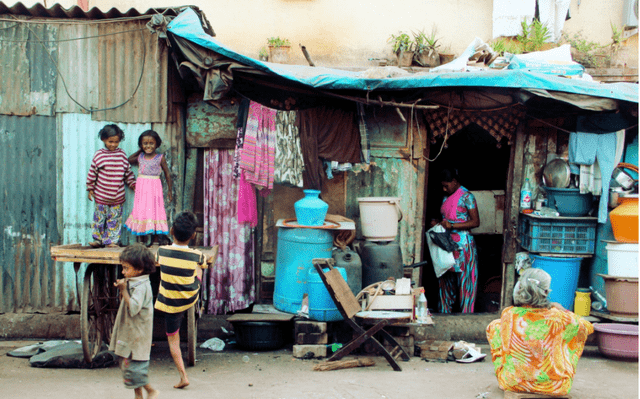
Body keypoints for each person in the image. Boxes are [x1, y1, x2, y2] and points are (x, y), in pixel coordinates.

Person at [486, 268, 593, 396]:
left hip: (513, 383)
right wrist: (564, 310)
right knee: (569, 333)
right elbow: (587, 328)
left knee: (495, 326)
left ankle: (514, 372)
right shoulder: (560, 317)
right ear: (546, 292)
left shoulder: (509, 315)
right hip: (556, 387)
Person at [154, 211, 207, 389]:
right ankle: (199, 306)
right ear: (193, 236)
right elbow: (204, 264)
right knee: (199, 269)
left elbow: (156, 262)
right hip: (189, 297)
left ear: (171, 231)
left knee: (173, 340)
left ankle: (183, 376)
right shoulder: (198, 255)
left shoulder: (161, 251)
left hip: (169, 302)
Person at [109, 244, 159, 399]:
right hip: (132, 332)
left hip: (137, 333)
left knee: (133, 366)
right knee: (128, 363)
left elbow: (134, 308)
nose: (123, 272)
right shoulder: (135, 281)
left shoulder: (142, 286)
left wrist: (124, 290)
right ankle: (139, 395)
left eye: (126, 268)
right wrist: (123, 289)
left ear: (139, 269)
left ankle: (150, 390)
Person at [430, 167, 480, 313]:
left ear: (455, 181)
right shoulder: (446, 197)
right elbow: (447, 218)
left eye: (446, 185)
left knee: (466, 282)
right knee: (445, 280)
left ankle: (466, 316)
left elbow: (476, 222)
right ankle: (444, 314)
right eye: (442, 186)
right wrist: (438, 223)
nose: (444, 189)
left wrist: (452, 225)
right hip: (447, 244)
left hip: (464, 246)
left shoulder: (467, 197)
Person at [86, 124, 136, 248]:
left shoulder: (122, 155)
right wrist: (90, 188)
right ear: (103, 139)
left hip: (117, 196)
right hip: (101, 195)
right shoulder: (99, 155)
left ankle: (112, 241)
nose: (113, 144)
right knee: (99, 219)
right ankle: (98, 240)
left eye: (116, 142)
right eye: (110, 141)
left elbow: (127, 172)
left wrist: (133, 184)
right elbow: (92, 172)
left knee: (114, 220)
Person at [125, 130, 173, 247]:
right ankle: (142, 240)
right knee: (142, 211)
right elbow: (129, 159)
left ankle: (155, 240)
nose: (148, 146)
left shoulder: (160, 157)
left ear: (157, 144)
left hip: (154, 187)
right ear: (141, 145)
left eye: (151, 143)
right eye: (145, 143)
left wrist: (170, 191)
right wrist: (140, 149)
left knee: (155, 211)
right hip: (141, 188)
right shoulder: (140, 156)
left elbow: (167, 173)